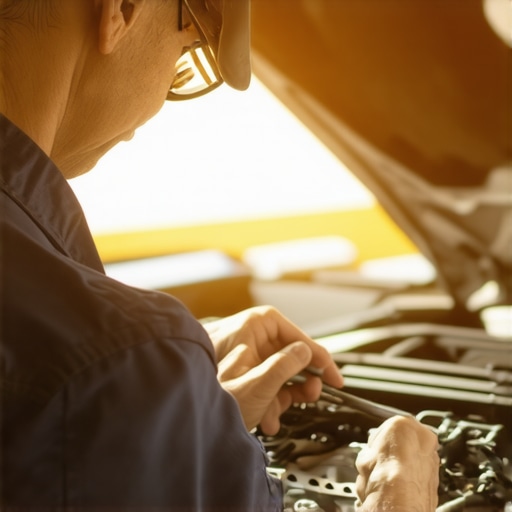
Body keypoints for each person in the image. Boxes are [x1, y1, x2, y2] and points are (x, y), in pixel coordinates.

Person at [0, 0, 439, 509]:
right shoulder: (118, 361)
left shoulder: (119, 369)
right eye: (187, 53)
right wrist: (398, 496)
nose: (162, 96)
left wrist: (177, 425)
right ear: (123, 8)